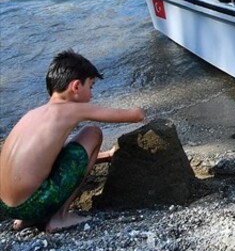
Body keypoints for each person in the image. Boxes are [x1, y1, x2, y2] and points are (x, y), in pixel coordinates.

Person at [0, 50, 144, 232]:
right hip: (34, 203)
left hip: (7, 207)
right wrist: (140, 107)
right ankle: (59, 217)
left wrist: (107, 155)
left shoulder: (32, 115)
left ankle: (26, 220)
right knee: (92, 132)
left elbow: (49, 160)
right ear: (76, 87)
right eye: (90, 87)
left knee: (57, 154)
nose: (91, 95)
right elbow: (135, 116)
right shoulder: (71, 109)